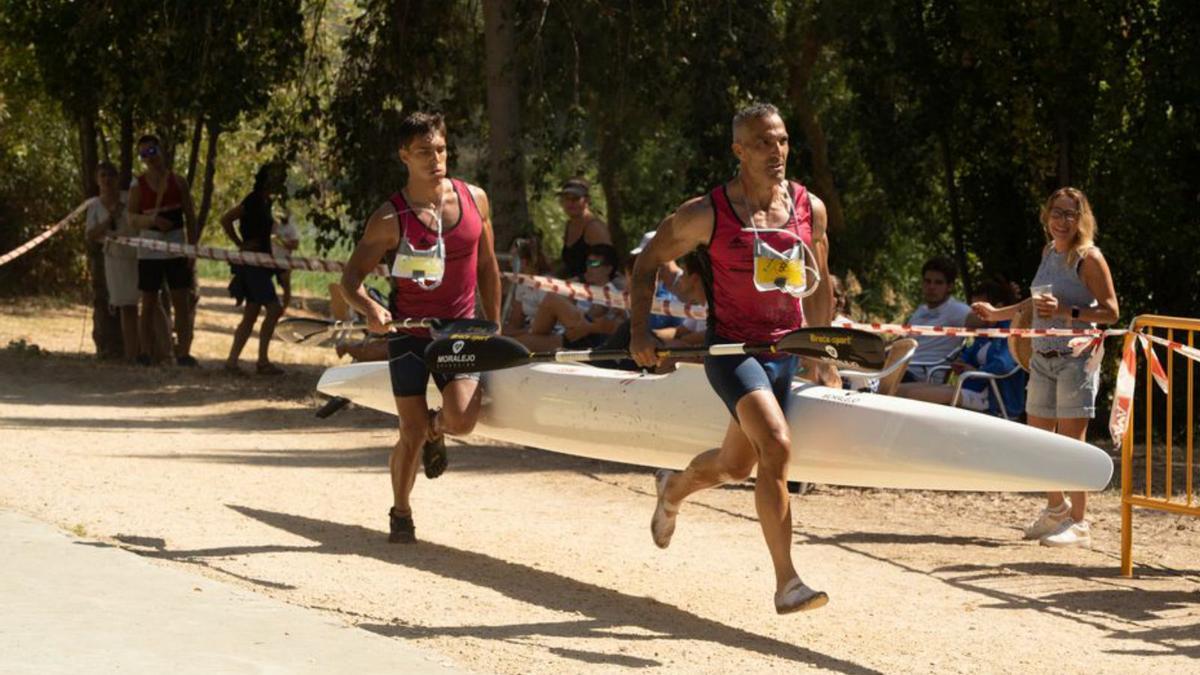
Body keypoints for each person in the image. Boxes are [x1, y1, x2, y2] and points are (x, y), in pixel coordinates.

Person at [629, 103, 834, 614]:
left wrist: (822, 349)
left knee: (736, 465)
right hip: (733, 351)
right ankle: (788, 582)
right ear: (739, 150)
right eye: (764, 142)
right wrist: (639, 330)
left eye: (783, 140)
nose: (777, 151)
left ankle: (672, 488)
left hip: (786, 348)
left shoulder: (811, 208)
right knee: (777, 446)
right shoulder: (706, 213)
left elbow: (819, 280)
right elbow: (647, 262)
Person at [339, 111, 501, 544]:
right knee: (408, 433)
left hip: (462, 333)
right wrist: (371, 308)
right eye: (425, 152)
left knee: (463, 420)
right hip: (409, 336)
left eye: (442, 150)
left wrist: (495, 325)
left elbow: (488, 265)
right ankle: (401, 512)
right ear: (404, 156)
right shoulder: (389, 219)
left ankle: (438, 429)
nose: (436, 160)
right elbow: (349, 282)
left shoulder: (475, 200)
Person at [973, 187, 1119, 548]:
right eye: (1057, 212)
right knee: (1038, 439)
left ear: (1082, 218)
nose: (1063, 220)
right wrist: (998, 314)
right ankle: (1056, 509)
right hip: (1041, 357)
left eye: (1071, 214)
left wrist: (1069, 312)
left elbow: (1111, 312)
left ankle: (1080, 523)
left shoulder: (1089, 258)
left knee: (1073, 443)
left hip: (1076, 358)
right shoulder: (1048, 252)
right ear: (1047, 215)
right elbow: (1036, 302)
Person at [897, 278, 1025, 417]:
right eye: (974, 311)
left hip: (994, 398)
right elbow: (970, 354)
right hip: (972, 388)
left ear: (998, 307)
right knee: (898, 389)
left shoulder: (1010, 332)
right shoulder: (986, 330)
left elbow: (1003, 365)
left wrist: (975, 371)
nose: (975, 316)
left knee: (909, 394)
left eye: (980, 311)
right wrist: (961, 363)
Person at [126, 134, 199, 367]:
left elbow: (190, 216)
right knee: (148, 301)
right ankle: (145, 353)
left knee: (181, 301)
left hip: (177, 247)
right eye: (144, 154)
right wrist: (153, 221)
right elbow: (131, 218)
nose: (150, 158)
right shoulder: (138, 186)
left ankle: (184, 353)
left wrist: (192, 249)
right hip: (150, 250)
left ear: (161, 150)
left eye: (152, 151)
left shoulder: (179, 181)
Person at [220, 163, 287, 375]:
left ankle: (232, 362)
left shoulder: (267, 202)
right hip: (252, 264)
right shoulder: (253, 200)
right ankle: (262, 361)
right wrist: (240, 244)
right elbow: (226, 219)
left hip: (262, 263)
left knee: (251, 314)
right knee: (274, 309)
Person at [516, 243, 625, 352]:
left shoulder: (609, 292)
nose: (589, 267)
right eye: (587, 263)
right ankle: (535, 335)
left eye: (594, 263)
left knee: (552, 299)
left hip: (588, 338)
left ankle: (535, 334)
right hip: (570, 334)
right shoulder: (584, 290)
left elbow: (592, 318)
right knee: (522, 342)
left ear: (608, 269)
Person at [85, 162, 140, 362]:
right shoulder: (94, 205)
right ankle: (132, 355)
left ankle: (156, 351)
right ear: (97, 180)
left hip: (138, 254)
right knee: (126, 305)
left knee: (150, 302)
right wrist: (110, 219)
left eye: (111, 175)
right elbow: (90, 234)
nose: (107, 179)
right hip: (115, 257)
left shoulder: (129, 198)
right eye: (103, 176)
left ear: (117, 178)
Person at [903, 257, 972, 382]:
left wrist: (1008, 301)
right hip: (901, 369)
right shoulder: (920, 311)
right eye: (927, 281)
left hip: (923, 378)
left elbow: (988, 321)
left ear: (950, 287)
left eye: (938, 283)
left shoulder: (958, 310)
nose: (931, 287)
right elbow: (903, 341)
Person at [557, 178, 612, 279]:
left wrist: (581, 279)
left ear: (587, 200)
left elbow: (605, 263)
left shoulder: (594, 228)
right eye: (567, 199)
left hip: (597, 287)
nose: (571, 203)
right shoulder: (569, 225)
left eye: (576, 199)